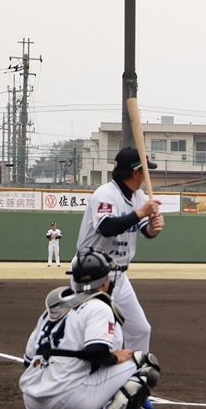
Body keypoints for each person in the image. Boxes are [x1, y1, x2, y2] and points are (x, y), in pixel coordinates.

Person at [1, 247, 161, 409]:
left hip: (32, 401)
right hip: (70, 404)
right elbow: (96, 352)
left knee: (59, 368)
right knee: (146, 364)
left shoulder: (52, 310)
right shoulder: (99, 307)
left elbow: (28, 360)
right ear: (105, 281)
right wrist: (115, 358)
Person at [77, 147, 163, 367]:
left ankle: (136, 383)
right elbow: (106, 227)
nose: (147, 175)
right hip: (91, 274)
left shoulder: (138, 196)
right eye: (145, 170)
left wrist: (154, 228)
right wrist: (141, 213)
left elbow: (145, 230)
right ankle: (97, 387)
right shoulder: (105, 194)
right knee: (104, 335)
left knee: (140, 330)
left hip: (119, 276)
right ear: (136, 172)